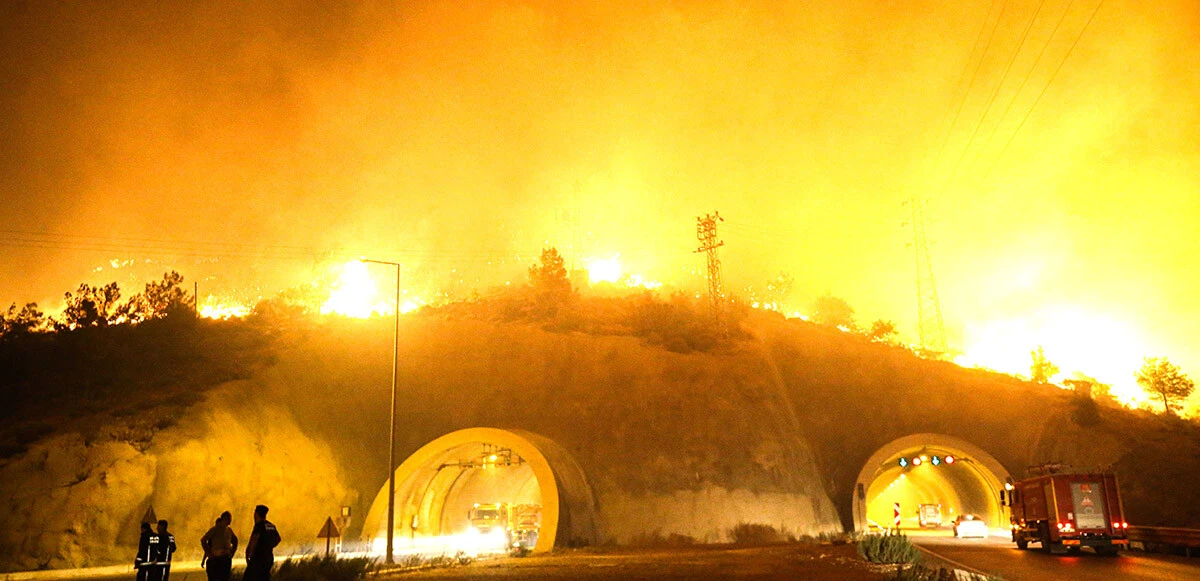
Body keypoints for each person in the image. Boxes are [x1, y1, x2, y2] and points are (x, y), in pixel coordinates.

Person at [244, 505, 281, 581]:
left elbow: (254, 540)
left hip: (258, 558)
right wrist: (269, 546)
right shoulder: (271, 526)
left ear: (256, 514)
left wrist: (249, 554)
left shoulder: (259, 526)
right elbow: (278, 539)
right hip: (268, 557)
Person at [201, 511, 239, 581]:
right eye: (229, 518)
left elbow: (235, 540)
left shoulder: (229, 530)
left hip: (226, 559)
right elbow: (203, 540)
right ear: (225, 518)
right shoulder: (215, 529)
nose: (230, 520)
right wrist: (209, 554)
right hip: (216, 559)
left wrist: (232, 552)